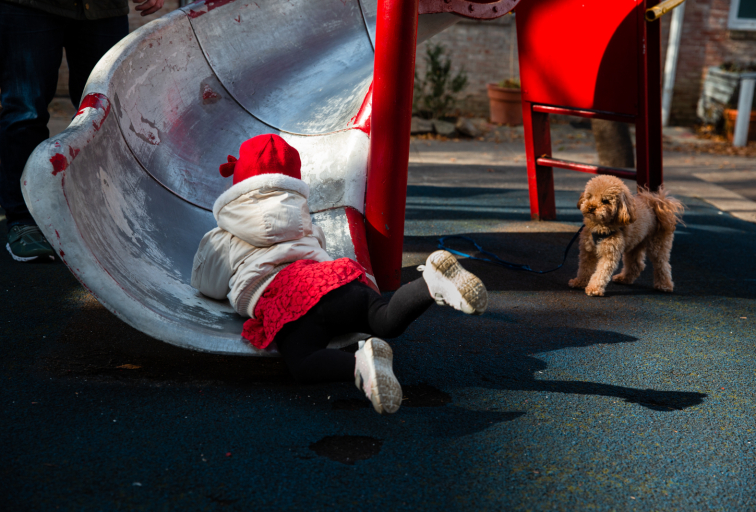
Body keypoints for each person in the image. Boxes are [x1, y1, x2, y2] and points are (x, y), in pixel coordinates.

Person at [191, 134, 488, 414]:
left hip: (289, 299)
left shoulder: (225, 237)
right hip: (334, 277)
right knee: (384, 319)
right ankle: (430, 283)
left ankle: (360, 366)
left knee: (303, 361)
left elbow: (209, 284)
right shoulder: (305, 222)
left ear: (236, 191)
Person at [0, 0, 164, 261]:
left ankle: (112, 216)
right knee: (25, 111)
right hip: (29, 6)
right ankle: (24, 222)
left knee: (110, 113)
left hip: (102, 9)